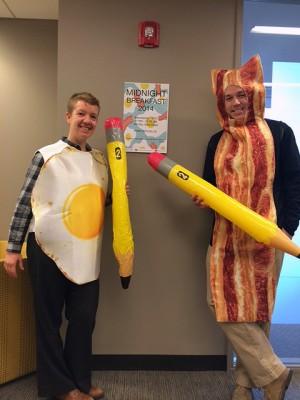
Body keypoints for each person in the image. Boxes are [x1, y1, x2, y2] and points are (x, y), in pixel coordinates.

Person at [193, 55, 300, 400]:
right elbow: (208, 188)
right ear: (221, 103)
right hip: (225, 238)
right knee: (219, 303)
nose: (236, 102)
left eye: (242, 95)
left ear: (254, 95)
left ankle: (244, 385)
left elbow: (294, 183)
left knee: (258, 311)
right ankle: (274, 374)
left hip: (268, 235)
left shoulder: (281, 133)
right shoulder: (216, 141)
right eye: (228, 97)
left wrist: (286, 227)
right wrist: (203, 199)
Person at [3, 92, 111, 400]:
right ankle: (59, 387)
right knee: (48, 320)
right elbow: (26, 201)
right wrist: (13, 248)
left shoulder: (100, 160)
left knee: (84, 319)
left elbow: (94, 202)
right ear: (69, 117)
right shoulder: (46, 154)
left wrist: (118, 194)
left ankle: (80, 379)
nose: (87, 120)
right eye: (81, 113)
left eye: (93, 115)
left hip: (87, 252)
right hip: (47, 247)